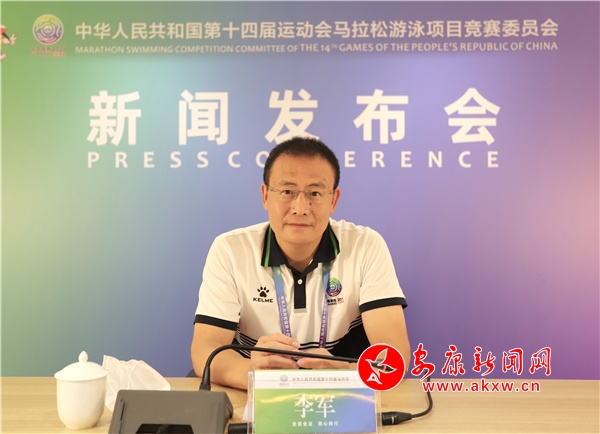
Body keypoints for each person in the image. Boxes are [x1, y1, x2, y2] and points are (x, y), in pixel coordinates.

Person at [191, 136, 410, 390]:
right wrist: (252, 373)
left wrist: (344, 373)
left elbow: (394, 356)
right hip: (255, 392)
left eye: (315, 193)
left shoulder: (365, 246)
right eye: (287, 192)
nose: (300, 207)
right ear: (265, 196)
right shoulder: (230, 250)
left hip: (339, 394)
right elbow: (206, 350)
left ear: (333, 200)